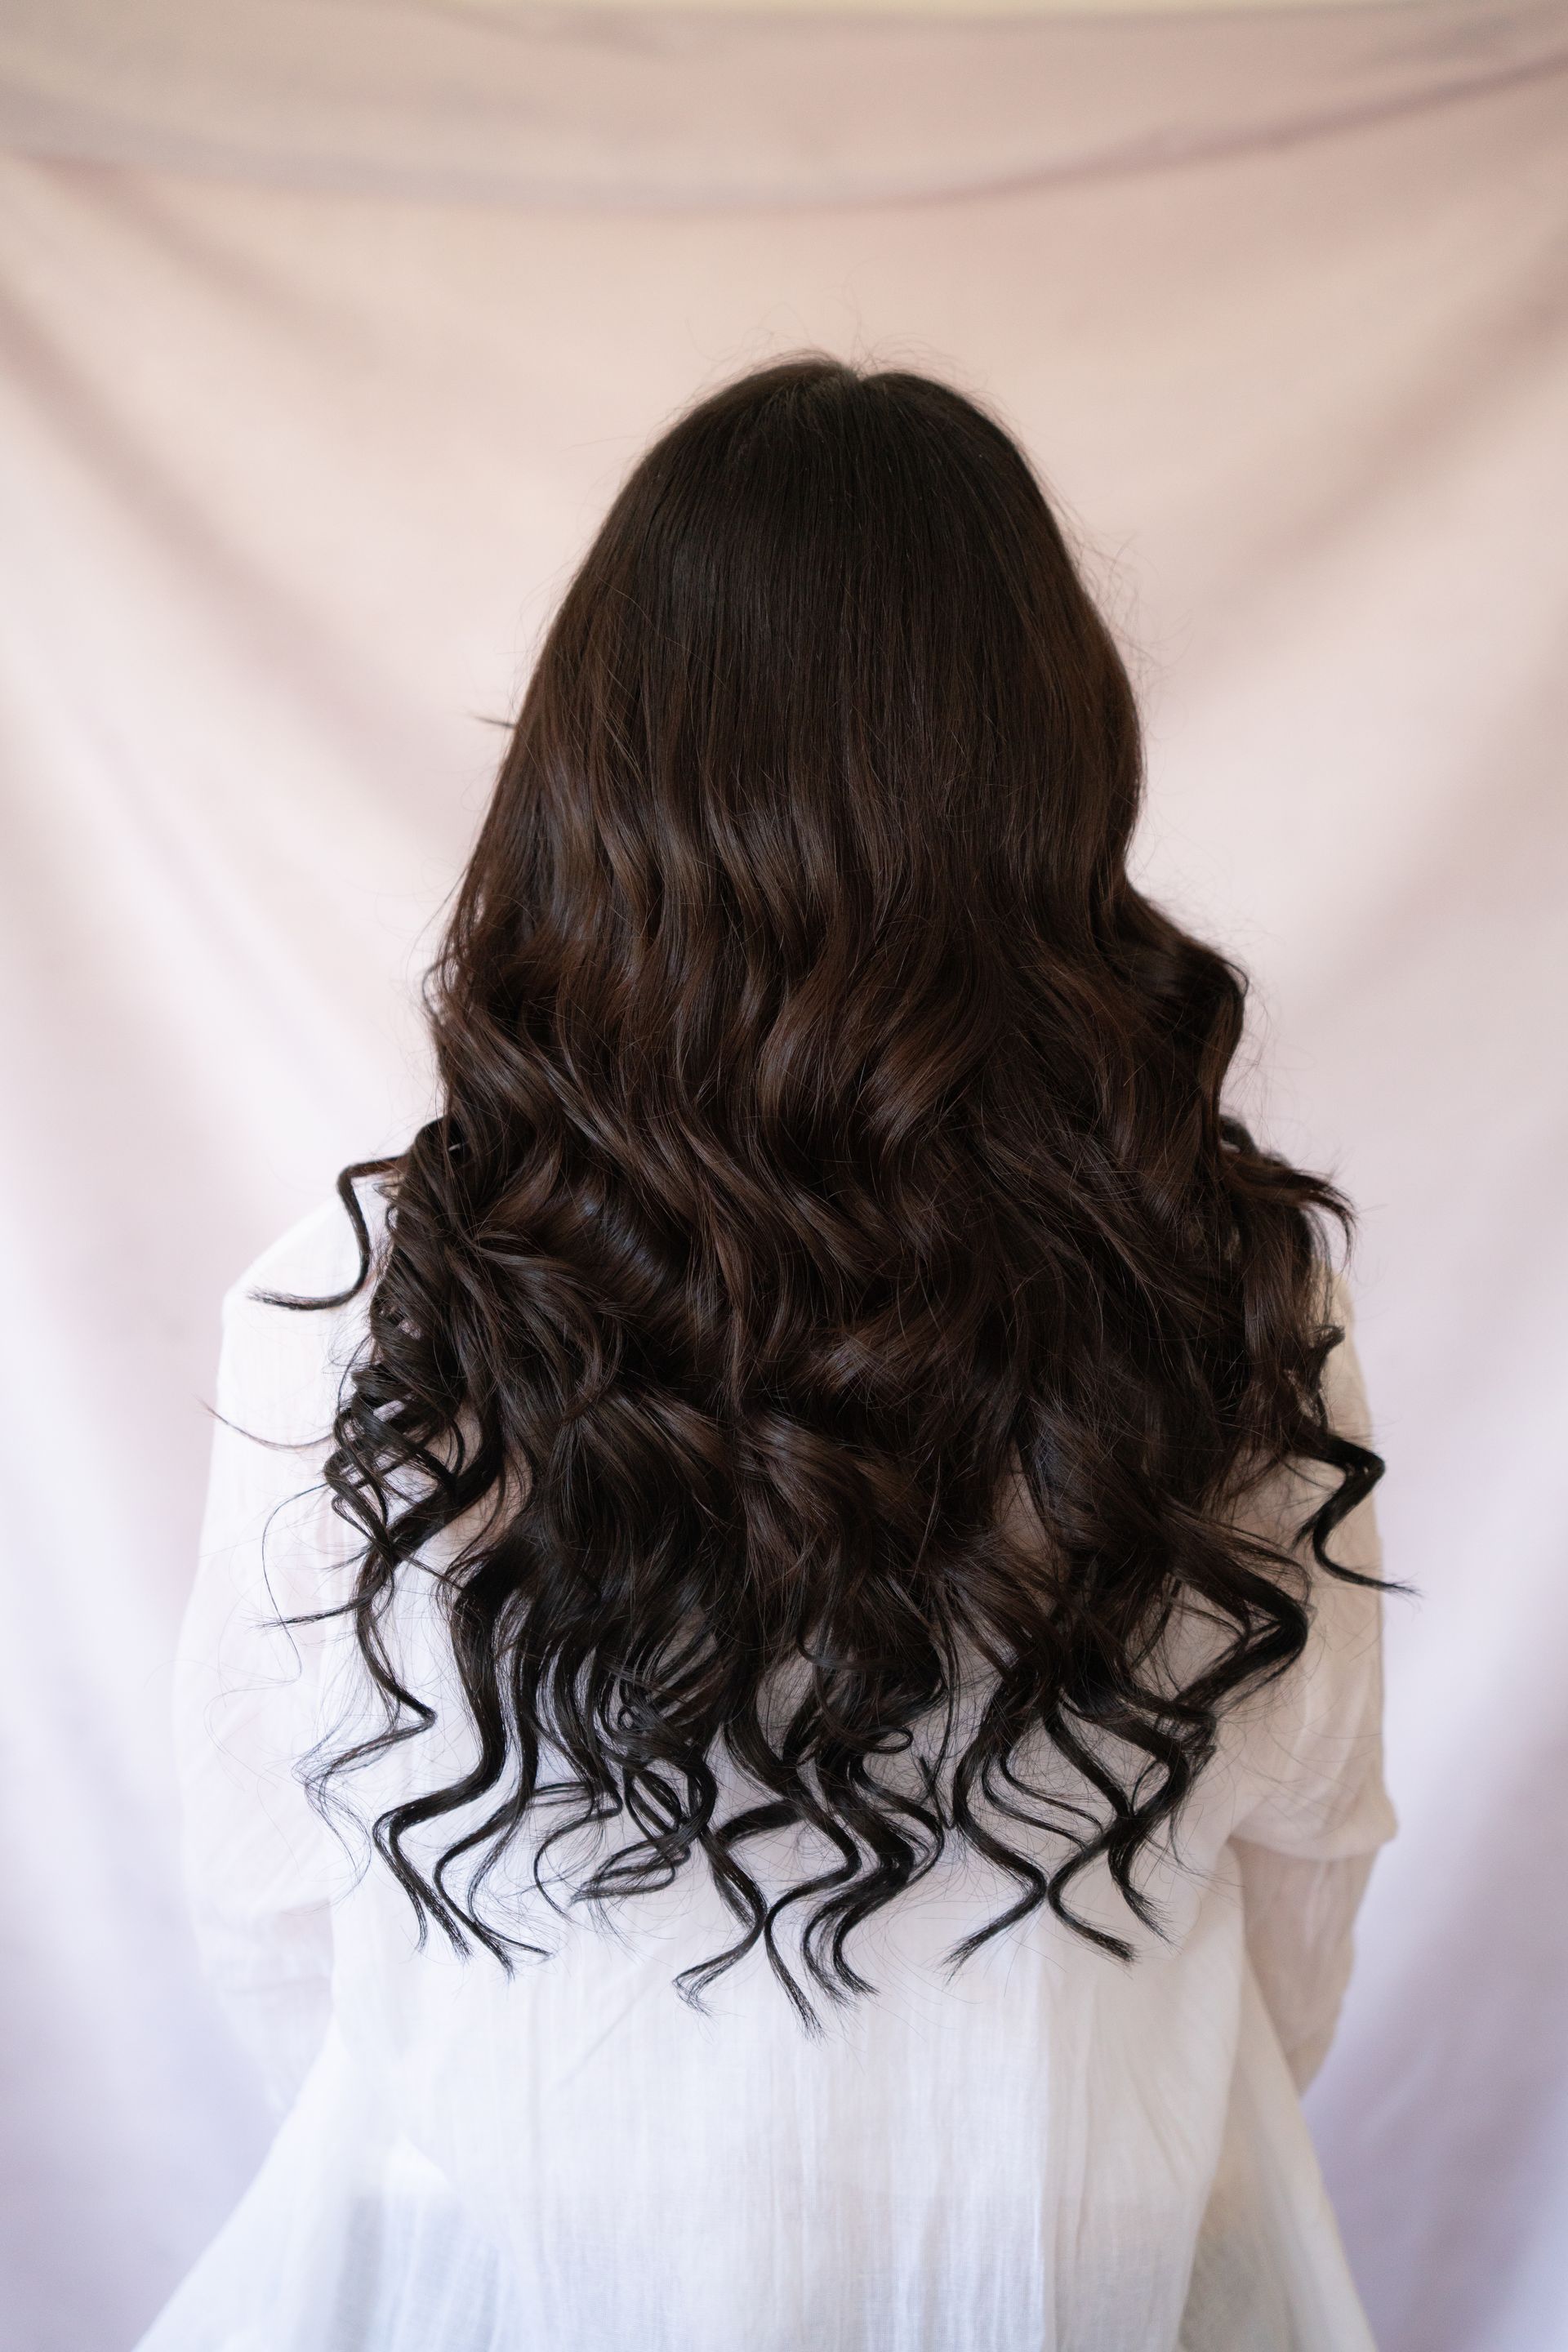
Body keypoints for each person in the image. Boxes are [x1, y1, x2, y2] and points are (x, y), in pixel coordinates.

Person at [137, 356, 1398, 2352]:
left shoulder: (371, 1304)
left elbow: (280, 1912)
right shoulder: (1230, 1301)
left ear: (595, 781)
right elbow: (1298, 1917)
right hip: (1088, 2283)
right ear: (1056, 778)